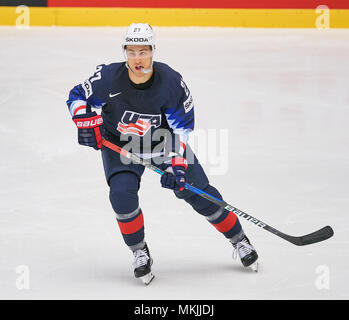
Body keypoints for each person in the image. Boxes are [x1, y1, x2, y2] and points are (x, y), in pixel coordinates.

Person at [66, 23, 259, 285]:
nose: (137, 59)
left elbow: (181, 130)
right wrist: (85, 123)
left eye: (143, 51)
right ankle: (139, 252)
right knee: (121, 194)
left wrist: (177, 167)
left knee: (197, 193)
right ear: (125, 52)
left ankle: (239, 240)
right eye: (131, 52)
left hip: (162, 142)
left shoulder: (171, 83)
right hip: (119, 144)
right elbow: (77, 96)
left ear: (153, 51)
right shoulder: (109, 78)